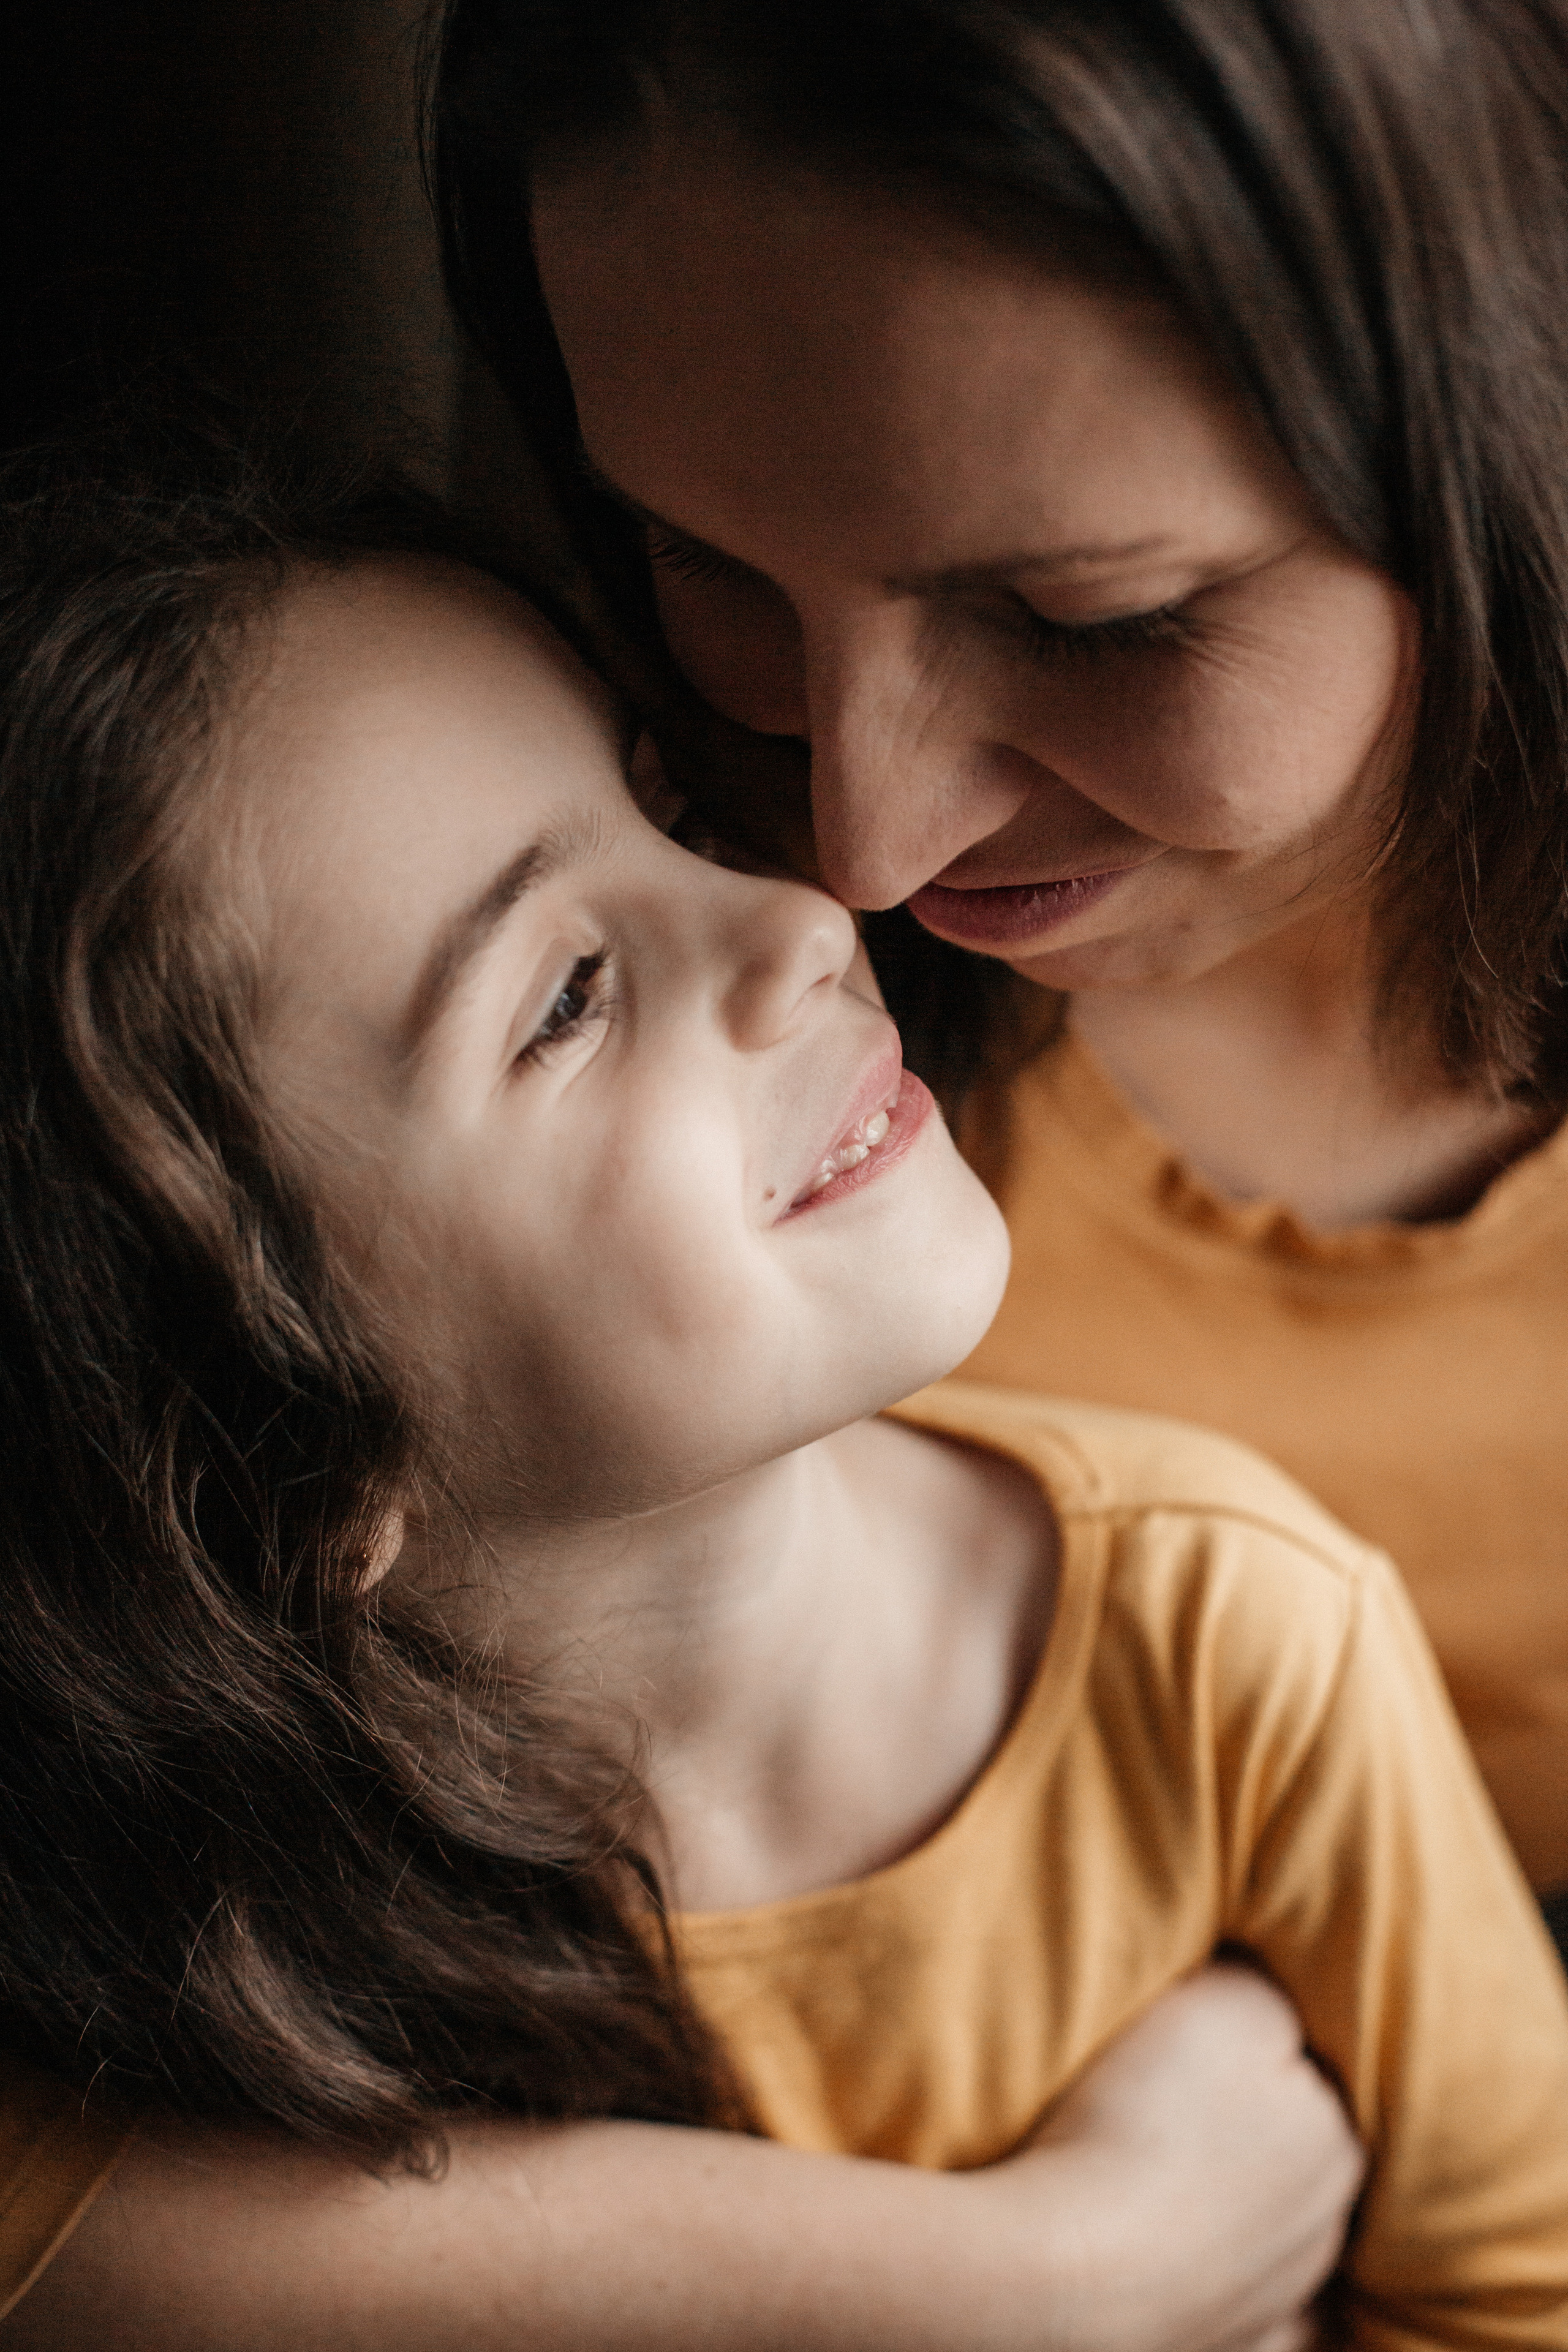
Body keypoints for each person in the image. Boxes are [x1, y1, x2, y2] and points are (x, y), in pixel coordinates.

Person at [0, 429, 1562, 2348]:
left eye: (675, 809)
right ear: (276, 1464)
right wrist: (1049, 2292)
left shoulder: (1239, 1635)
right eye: (567, 996)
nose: (806, 916)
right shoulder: (199, 1909)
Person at [426, 0, 1568, 1931]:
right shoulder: (594, 933)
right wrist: (1057, 2251)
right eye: (699, 559)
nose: (863, 850)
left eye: (1087, 619)